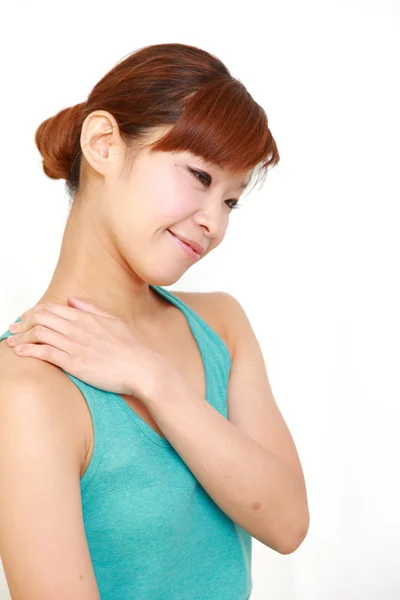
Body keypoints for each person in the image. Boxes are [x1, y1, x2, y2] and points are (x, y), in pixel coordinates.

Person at [0, 43, 309, 599]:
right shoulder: (26, 386)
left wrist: (155, 379)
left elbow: (287, 525)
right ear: (103, 146)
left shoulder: (222, 325)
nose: (214, 222)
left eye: (232, 201)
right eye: (198, 175)